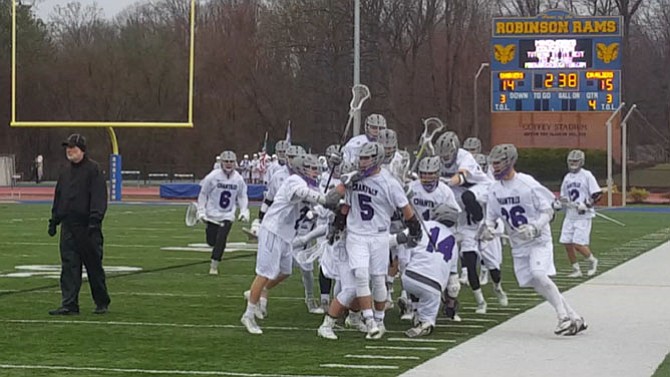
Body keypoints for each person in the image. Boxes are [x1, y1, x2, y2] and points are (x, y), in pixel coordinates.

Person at [482, 143, 587, 336]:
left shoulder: (526, 183)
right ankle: (575, 317)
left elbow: (549, 210)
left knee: (539, 274)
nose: (494, 167)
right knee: (534, 282)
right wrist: (488, 230)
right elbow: (491, 217)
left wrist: (534, 227)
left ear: (510, 161)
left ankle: (563, 317)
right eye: (493, 163)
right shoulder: (495, 190)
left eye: (498, 163)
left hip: (538, 239)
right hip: (518, 244)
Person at [240, 154, 339, 335]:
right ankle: (248, 315)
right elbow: (305, 194)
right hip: (273, 230)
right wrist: (324, 200)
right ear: (302, 168)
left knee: (285, 272)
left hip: (286, 234)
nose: (316, 171)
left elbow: (320, 199)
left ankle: (257, 291)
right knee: (265, 273)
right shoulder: (294, 180)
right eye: (312, 168)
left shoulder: (312, 184)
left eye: (317, 168)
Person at [332, 142, 422, 339]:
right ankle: (369, 319)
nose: (362, 162)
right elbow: (345, 204)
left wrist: (414, 225)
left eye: (366, 158)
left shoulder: (389, 182)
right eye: (361, 158)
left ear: (377, 158)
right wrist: (338, 223)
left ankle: (380, 320)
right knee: (361, 275)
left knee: (379, 280)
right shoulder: (353, 179)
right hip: (356, 235)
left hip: (379, 235)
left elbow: (404, 207)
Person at [47, 133, 111, 315]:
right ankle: (69, 304)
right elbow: (59, 196)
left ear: (82, 150)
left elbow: (99, 197)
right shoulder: (65, 172)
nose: (69, 151)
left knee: (93, 266)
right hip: (68, 226)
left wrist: (94, 221)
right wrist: (54, 220)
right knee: (69, 266)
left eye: (73, 148)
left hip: (87, 227)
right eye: (68, 147)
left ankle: (101, 302)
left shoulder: (94, 170)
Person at [435, 131, 492, 314]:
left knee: (468, 196)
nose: (444, 158)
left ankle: (482, 224)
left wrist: (445, 181)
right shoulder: (438, 159)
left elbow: (461, 177)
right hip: (457, 203)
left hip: (478, 189)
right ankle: (445, 298)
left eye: (447, 155)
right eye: (441, 155)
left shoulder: (464, 157)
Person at [399, 202, 460, 337]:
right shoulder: (453, 243)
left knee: (410, 263)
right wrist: (450, 304)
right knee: (428, 320)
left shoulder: (425, 225)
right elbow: (453, 285)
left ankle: (414, 309)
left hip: (408, 278)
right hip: (432, 287)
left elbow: (402, 238)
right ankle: (424, 323)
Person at [197, 150, 249, 275]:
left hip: (228, 214)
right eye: (226, 161)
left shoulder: (238, 179)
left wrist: (243, 210)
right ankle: (214, 253)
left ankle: (214, 265)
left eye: (231, 161)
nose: (229, 164)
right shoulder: (212, 176)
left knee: (222, 238)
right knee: (211, 241)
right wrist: (201, 211)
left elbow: (242, 196)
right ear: (221, 162)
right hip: (212, 214)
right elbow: (203, 194)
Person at [554, 149, 601, 277]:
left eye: (576, 161)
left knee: (578, 244)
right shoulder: (567, 177)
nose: (573, 163)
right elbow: (563, 196)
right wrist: (560, 203)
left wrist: (586, 205)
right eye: (571, 161)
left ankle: (592, 261)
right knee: (567, 243)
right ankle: (576, 269)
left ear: (581, 162)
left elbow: (597, 194)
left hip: (583, 216)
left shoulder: (587, 175)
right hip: (570, 215)